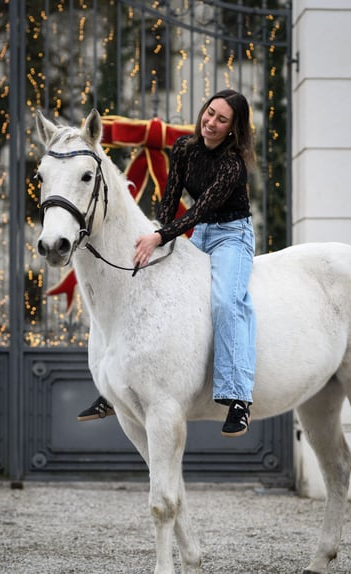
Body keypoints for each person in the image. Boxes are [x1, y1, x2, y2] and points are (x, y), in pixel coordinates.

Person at [77, 89, 257, 437]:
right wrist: (158, 231)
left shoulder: (233, 164)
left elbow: (201, 207)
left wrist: (161, 237)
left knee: (226, 302)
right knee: (144, 287)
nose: (211, 122)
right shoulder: (185, 150)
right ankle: (114, 389)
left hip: (232, 236)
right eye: (210, 112)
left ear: (233, 129)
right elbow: (170, 199)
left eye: (222, 119)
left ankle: (238, 398)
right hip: (199, 231)